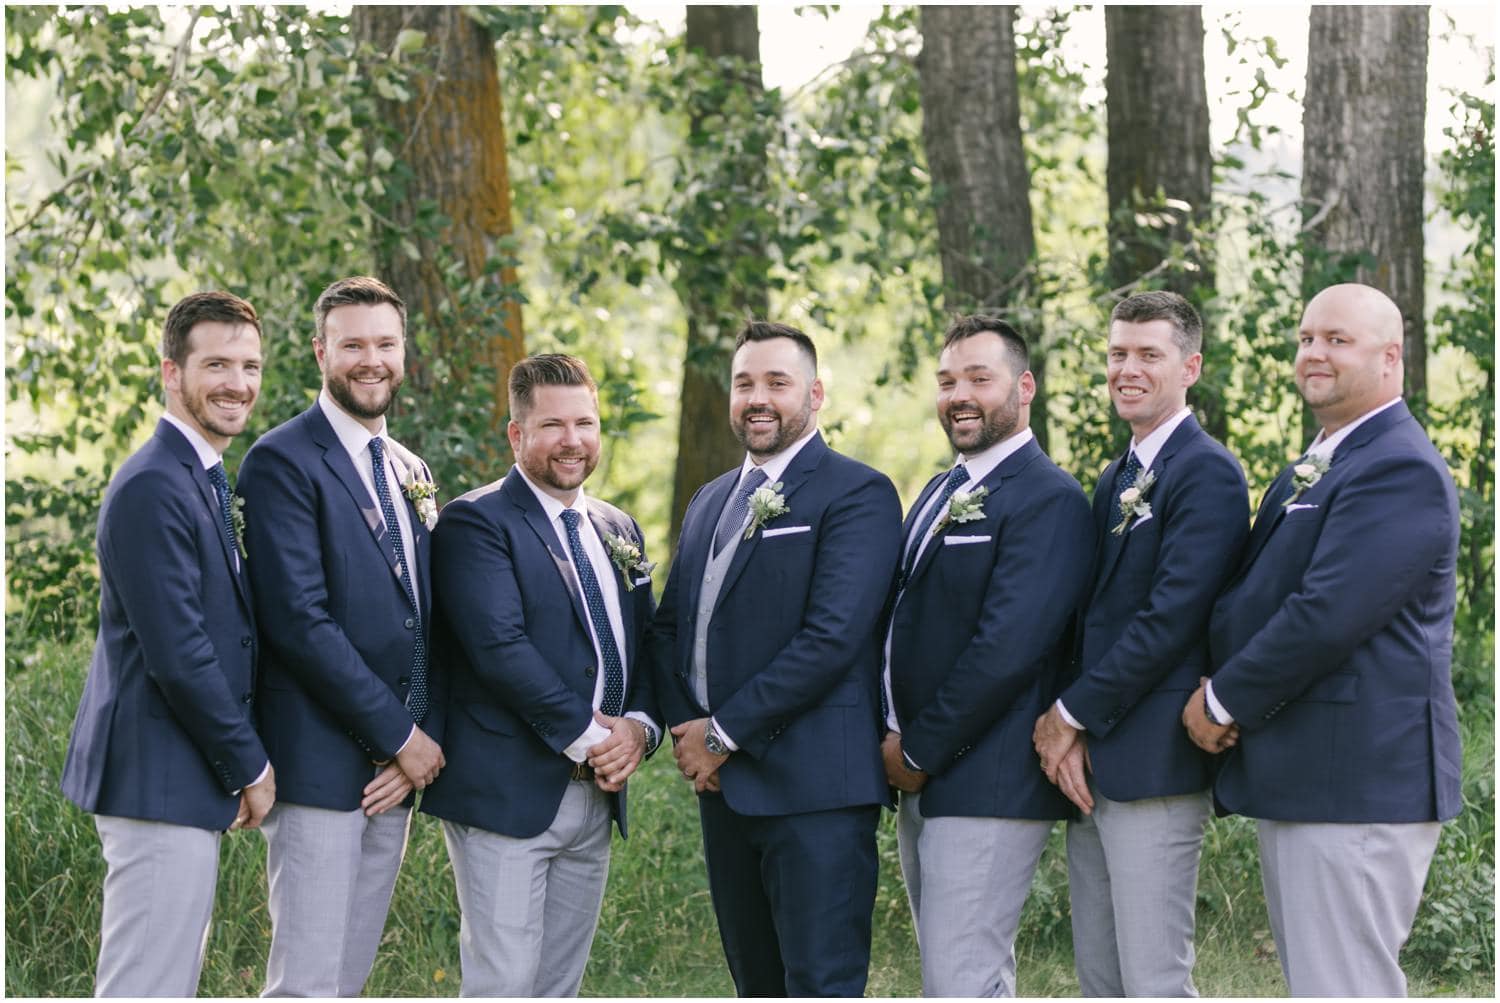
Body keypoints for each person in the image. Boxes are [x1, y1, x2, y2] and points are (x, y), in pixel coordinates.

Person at [1182, 283, 1462, 996]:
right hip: (1311, 773)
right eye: (1307, 337)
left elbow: (1327, 613)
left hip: (1358, 779)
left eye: (1337, 339)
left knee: (1345, 985)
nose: (1314, 352)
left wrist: (1223, 699)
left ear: (1391, 357)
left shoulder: (1398, 467)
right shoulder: (1326, 456)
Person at [647, 321, 902, 996]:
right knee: (755, 982)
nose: (758, 398)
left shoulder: (857, 493)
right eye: (744, 383)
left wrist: (721, 733)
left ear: (815, 394)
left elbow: (831, 637)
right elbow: (670, 627)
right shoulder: (709, 500)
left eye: (777, 383)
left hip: (817, 791)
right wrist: (686, 732)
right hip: (723, 791)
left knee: (820, 982)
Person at [419, 353, 661, 996]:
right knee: (504, 984)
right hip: (506, 790)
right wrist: (593, 737)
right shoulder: (477, 522)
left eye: (586, 422)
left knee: (559, 986)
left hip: (596, 794)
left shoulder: (617, 526)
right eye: (553, 425)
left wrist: (639, 728)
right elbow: (499, 648)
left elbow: (648, 643)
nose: (573, 441)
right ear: (516, 433)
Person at [1031, 292, 1249, 996]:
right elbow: (1093, 617)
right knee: (1101, 975)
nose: (1128, 368)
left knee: (1154, 979)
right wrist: (1076, 732)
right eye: (1118, 353)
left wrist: (1069, 715)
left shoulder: (1206, 471)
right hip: (1095, 762)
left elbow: (1172, 617)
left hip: (1154, 760)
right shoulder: (1115, 477)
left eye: (1148, 355)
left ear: (1190, 367)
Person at [60, 290, 276, 996]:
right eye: (216, 363)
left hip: (179, 778)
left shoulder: (200, 479)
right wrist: (248, 763)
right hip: (156, 778)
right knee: (145, 985)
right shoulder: (154, 485)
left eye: (249, 365)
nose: (237, 383)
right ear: (170, 372)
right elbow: (180, 653)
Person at [237, 276, 445, 997]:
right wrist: (400, 734)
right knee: (306, 982)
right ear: (321, 350)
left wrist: (415, 738)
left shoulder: (411, 470)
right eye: (352, 343)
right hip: (318, 767)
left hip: (391, 773)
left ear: (403, 354)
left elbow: (429, 618)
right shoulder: (280, 461)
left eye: (385, 343)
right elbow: (299, 622)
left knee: (347, 980)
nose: (371, 359)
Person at [882, 315, 1093, 997]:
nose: (959, 395)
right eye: (948, 381)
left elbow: (1007, 649)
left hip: (987, 776)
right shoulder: (941, 491)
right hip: (927, 774)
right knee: (956, 977)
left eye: (979, 377)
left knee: (962, 978)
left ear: (1024, 386)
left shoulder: (1048, 498)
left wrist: (917, 751)